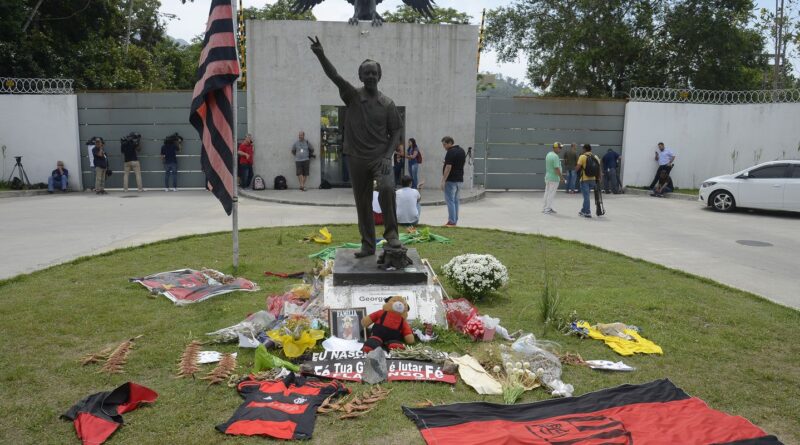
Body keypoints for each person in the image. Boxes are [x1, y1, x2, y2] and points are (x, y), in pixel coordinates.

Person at [309, 36, 403, 258]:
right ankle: (368, 245)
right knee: (362, 203)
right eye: (366, 73)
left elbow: (396, 131)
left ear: (379, 76)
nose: (370, 76)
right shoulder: (352, 96)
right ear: (360, 76)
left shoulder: (388, 104)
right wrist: (321, 54)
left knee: (388, 189)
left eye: (374, 72)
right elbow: (334, 76)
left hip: (380, 157)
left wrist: (388, 156)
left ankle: (391, 235)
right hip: (356, 158)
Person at [440, 136, 466, 227]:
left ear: (450, 143)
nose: (444, 147)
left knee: (450, 200)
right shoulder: (462, 150)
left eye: (445, 144)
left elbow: (448, 167)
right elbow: (459, 164)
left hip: (451, 180)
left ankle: (451, 221)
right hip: (459, 179)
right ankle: (454, 220)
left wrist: (443, 180)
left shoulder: (450, 152)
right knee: (455, 201)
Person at [575, 144, 602, 218]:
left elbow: (578, 167)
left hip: (584, 180)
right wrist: (599, 177)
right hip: (593, 180)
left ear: (584, 149)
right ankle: (583, 210)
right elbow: (599, 168)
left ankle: (587, 212)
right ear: (590, 149)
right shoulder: (595, 157)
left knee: (586, 197)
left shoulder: (582, 157)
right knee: (586, 196)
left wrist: (575, 171)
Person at [543, 142, 564, 214]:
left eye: (561, 148)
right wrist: (561, 177)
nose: (560, 149)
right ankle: (547, 209)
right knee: (551, 194)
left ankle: (546, 207)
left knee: (547, 193)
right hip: (554, 178)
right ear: (555, 148)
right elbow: (556, 168)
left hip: (548, 177)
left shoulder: (548, 154)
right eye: (559, 148)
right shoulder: (555, 156)